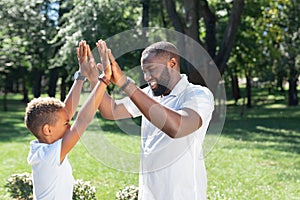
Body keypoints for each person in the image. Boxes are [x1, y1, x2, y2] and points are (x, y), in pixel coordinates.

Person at [86, 40, 214, 200]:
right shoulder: (148, 95)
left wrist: (125, 84)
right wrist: (94, 80)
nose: (147, 77)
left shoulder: (198, 95)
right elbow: (111, 111)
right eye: (144, 71)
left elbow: (178, 128)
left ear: (172, 63)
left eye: (152, 70)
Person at [25, 40, 111, 199]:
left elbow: (66, 113)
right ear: (48, 130)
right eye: (66, 124)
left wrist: (81, 75)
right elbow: (82, 120)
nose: (69, 124)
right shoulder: (49, 155)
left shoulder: (42, 148)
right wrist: (104, 80)